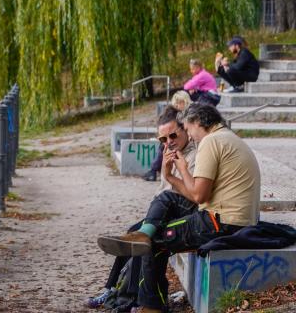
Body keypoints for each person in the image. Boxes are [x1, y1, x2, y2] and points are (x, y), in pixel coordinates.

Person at [96, 103, 261, 313]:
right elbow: (201, 195)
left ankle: (151, 306)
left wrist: (181, 168)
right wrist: (171, 176)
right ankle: (142, 239)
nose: (191, 136)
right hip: (232, 219)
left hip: (220, 222)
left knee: (154, 241)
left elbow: (199, 195)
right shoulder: (228, 138)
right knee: (165, 204)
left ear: (198, 122)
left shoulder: (211, 142)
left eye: (188, 129)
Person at [87, 107, 197, 310]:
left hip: (188, 215)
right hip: (167, 213)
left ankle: (132, 299)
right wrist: (166, 172)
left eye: (173, 135)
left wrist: (173, 173)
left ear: (185, 130)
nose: (169, 142)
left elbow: (191, 195)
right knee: (133, 234)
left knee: (146, 241)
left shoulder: (194, 155)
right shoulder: (170, 154)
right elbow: (163, 193)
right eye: (163, 140)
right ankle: (112, 289)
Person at [142, 91, 191, 182]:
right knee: (163, 146)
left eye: (180, 102)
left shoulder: (189, 115)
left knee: (163, 147)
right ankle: (153, 170)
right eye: (176, 103)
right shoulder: (172, 115)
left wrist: (169, 176)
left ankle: (153, 170)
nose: (177, 105)